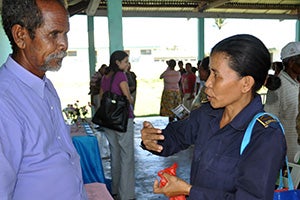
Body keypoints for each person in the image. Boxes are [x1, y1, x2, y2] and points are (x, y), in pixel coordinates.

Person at [140, 34, 286, 199]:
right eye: (209, 73)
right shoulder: (207, 114)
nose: (208, 82)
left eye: (216, 75)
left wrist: (189, 191)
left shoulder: (265, 135)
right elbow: (176, 136)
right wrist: (153, 139)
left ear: (246, 83)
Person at [0, 0, 88, 199]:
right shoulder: (4, 102)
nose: (64, 44)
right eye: (54, 34)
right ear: (20, 36)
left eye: (65, 33)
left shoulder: (45, 86)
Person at [100, 50, 135, 200]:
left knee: (115, 155)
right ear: (118, 62)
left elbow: (101, 96)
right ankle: (126, 194)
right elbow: (128, 98)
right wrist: (131, 98)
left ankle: (114, 189)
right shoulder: (121, 76)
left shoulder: (105, 76)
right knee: (126, 156)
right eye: (125, 61)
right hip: (123, 120)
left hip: (108, 121)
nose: (127, 64)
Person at [264, 41, 300, 162]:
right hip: (288, 156)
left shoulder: (296, 83)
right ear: (291, 63)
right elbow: (270, 121)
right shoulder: (278, 86)